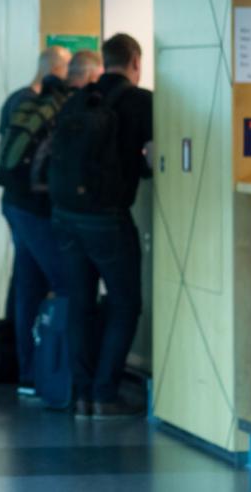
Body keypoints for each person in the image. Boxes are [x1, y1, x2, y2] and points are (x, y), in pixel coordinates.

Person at [50, 33, 153, 418]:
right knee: (126, 302)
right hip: (106, 219)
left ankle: (80, 392)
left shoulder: (79, 98)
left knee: (81, 301)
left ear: (104, 61)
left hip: (64, 215)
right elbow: (152, 158)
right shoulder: (141, 102)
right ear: (136, 62)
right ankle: (104, 392)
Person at [0, 47, 103, 397]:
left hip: (14, 202)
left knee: (28, 284)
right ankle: (65, 373)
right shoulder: (63, 105)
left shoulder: (20, 101)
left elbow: (3, 152)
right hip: (38, 208)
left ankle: (31, 372)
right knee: (68, 284)